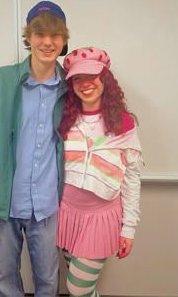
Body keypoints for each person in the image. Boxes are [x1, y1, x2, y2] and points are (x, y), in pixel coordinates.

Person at [0, 1, 69, 297]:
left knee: (49, 282)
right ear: (29, 38)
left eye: (55, 35)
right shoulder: (1, 80)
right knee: (4, 280)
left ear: (63, 40)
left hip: (48, 205)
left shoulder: (70, 87)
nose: (47, 42)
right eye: (39, 33)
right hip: (3, 203)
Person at [57, 47, 143, 296]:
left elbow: (131, 178)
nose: (85, 84)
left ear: (104, 78)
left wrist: (129, 228)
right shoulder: (65, 119)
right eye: (77, 79)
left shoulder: (123, 123)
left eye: (91, 76)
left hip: (100, 219)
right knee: (78, 287)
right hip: (66, 215)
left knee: (77, 289)